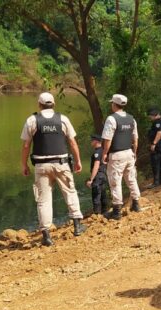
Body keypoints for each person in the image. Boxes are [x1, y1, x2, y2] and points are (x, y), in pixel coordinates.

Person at [20, 92, 87, 246]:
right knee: (70, 192)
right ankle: (77, 226)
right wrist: (77, 161)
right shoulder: (63, 119)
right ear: (54, 104)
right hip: (61, 164)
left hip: (41, 166)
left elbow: (26, 145)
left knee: (43, 200)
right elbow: (72, 142)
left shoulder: (32, 120)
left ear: (39, 104)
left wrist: (24, 165)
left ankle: (46, 236)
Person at [100, 94, 141, 220]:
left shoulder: (111, 119)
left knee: (115, 181)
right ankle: (136, 204)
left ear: (114, 104)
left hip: (117, 154)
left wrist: (105, 153)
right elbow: (135, 138)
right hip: (129, 153)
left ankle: (117, 211)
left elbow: (108, 139)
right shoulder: (131, 119)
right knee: (131, 179)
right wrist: (134, 152)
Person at [86, 133, 110, 215]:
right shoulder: (103, 150)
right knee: (103, 194)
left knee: (96, 195)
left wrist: (91, 179)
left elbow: (96, 165)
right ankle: (105, 211)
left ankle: (97, 214)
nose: (91, 142)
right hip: (103, 175)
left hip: (98, 176)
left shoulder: (97, 152)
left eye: (92, 140)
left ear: (96, 141)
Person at [146, 108, 161, 189]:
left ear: (155, 115)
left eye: (151, 116)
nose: (150, 118)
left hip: (157, 145)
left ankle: (156, 182)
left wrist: (154, 143)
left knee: (155, 163)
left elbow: (159, 132)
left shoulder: (157, 122)